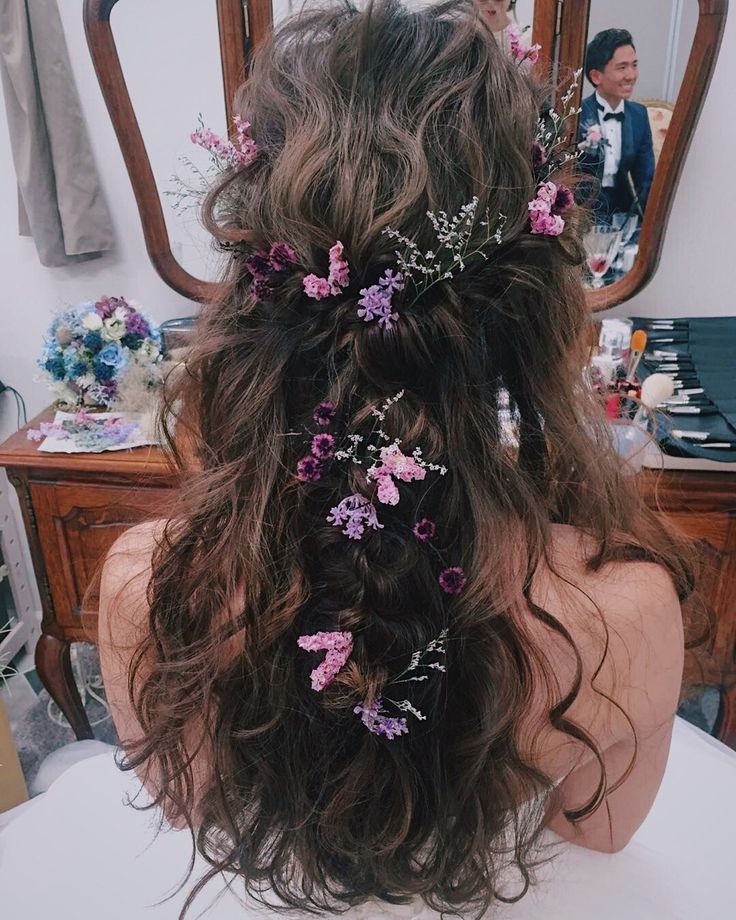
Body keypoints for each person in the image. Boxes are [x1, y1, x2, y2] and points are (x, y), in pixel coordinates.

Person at [1, 3, 735, 919]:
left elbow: (187, 810)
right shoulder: (623, 612)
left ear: (256, 301)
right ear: (533, 307)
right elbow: (603, 835)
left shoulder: (152, 585)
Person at [579, 29, 656, 223]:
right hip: (582, 217)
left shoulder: (639, 115)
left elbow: (646, 179)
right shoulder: (577, 114)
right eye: (622, 67)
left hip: (624, 217)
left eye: (634, 65)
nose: (631, 75)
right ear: (596, 76)